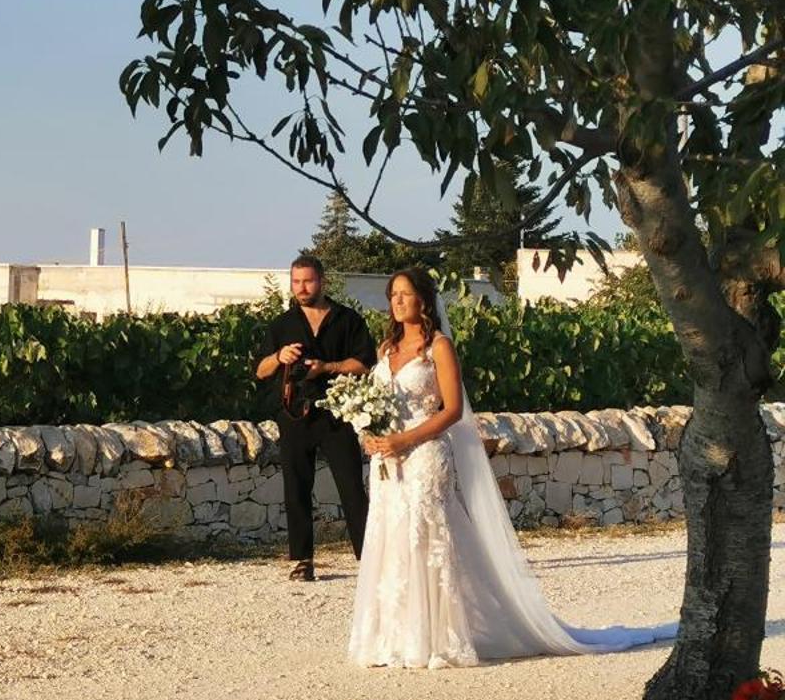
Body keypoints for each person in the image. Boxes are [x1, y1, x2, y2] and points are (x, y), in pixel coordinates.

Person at [348, 266, 677, 668]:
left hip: (425, 452)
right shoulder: (385, 349)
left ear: (423, 299)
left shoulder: (438, 347)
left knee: (427, 538)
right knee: (392, 537)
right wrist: (370, 431)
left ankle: (436, 638)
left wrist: (406, 439)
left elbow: (451, 410)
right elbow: (377, 403)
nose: (397, 302)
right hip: (389, 458)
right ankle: (395, 637)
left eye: (405, 294)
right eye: (393, 295)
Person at [253, 255, 375, 581]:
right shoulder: (281, 325)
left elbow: (365, 364)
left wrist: (328, 367)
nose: (301, 288)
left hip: (338, 415)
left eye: (307, 281)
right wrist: (279, 357)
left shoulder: (348, 320)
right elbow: (260, 370)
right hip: (294, 415)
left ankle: (370, 559)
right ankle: (302, 560)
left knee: (351, 487)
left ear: (321, 280)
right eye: (296, 282)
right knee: (296, 487)